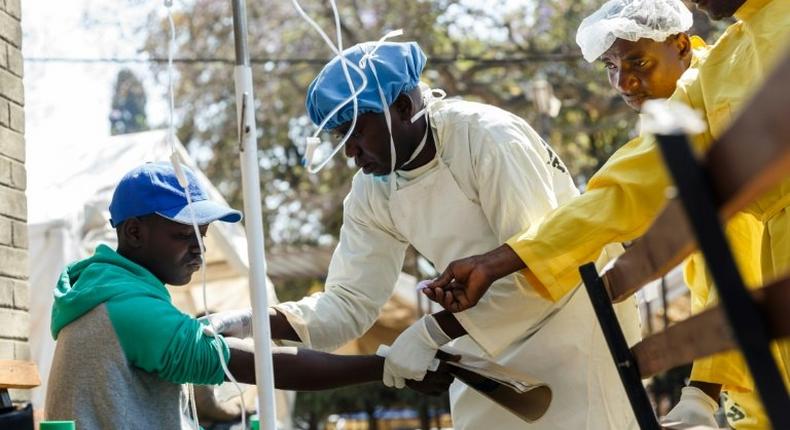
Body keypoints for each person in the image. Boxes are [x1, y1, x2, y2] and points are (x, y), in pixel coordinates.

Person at [212, 40, 641, 429]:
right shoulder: (373, 189)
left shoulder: (486, 137)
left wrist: (432, 331)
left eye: (357, 130)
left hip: (575, 328)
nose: (349, 151)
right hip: (483, 347)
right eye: (340, 136)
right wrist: (249, 321)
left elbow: (545, 265)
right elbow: (347, 304)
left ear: (401, 106)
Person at [425, 0, 790, 428]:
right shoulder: (715, 72)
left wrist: (703, 391)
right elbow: (621, 191)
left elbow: (730, 246)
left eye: (637, 61)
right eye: (611, 67)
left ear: (679, 47)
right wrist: (498, 260)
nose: (624, 82)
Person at [44, 162, 452, 430]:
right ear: (133, 233)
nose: (200, 250)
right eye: (185, 235)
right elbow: (265, 365)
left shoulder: (105, 290)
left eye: (203, 236)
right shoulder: (128, 307)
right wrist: (385, 367)